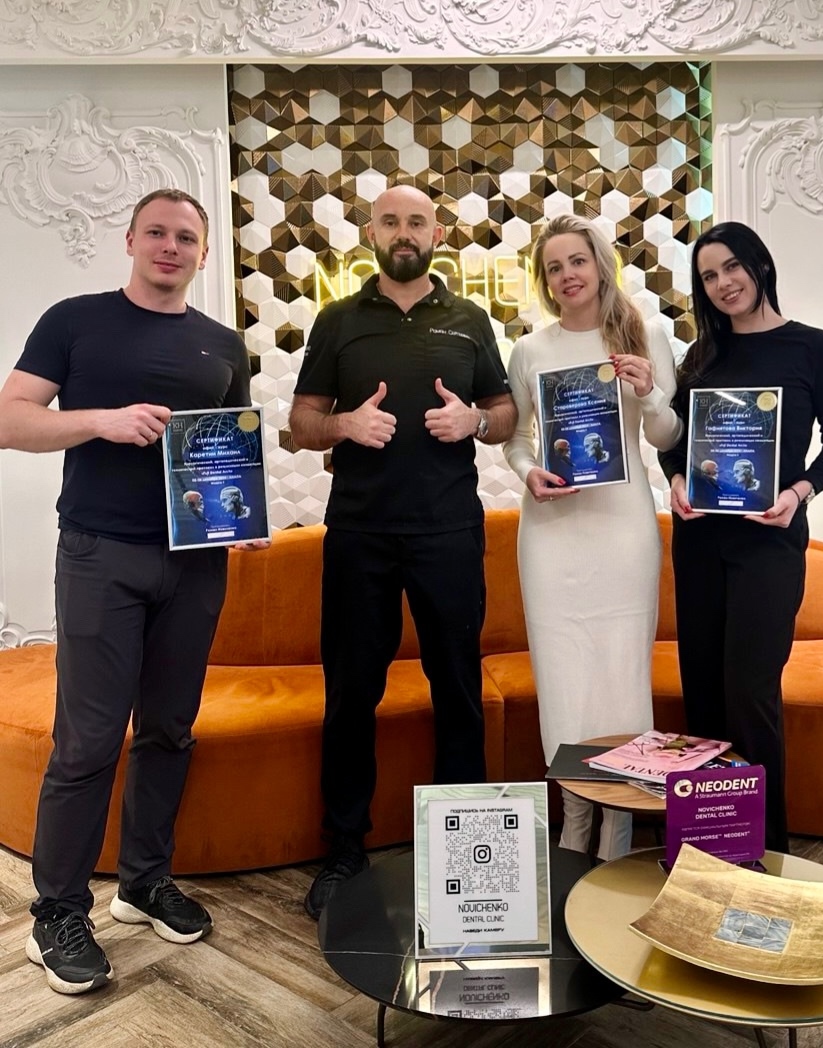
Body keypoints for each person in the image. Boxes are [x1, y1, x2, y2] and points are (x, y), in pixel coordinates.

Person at [0, 188, 267, 995]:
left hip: (195, 565)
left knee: (169, 730)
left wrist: (239, 517)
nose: (170, 246)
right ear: (130, 240)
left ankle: (144, 883)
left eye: (186, 236)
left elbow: (228, 449)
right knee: (86, 741)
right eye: (157, 232)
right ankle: (57, 915)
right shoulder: (74, 321)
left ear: (203, 253)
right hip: (100, 555)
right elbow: (11, 419)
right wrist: (99, 420)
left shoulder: (222, 344)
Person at [290, 183, 517, 919]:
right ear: (371, 232)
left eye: (416, 220)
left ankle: (464, 849)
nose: (404, 232)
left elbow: (506, 413)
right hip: (359, 533)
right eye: (390, 221)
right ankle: (343, 849)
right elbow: (301, 423)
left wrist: (475, 421)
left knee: (458, 689)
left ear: (438, 232)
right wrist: (344, 427)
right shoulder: (337, 320)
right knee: (351, 693)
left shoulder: (469, 320)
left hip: (449, 532)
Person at [658, 221, 823, 853]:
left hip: (769, 545)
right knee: (704, 692)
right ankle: (707, 848)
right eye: (708, 276)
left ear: (760, 265)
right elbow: (675, 442)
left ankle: (765, 850)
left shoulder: (814, 348)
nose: (723, 284)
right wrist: (676, 480)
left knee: (750, 692)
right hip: (699, 542)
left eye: (732, 267)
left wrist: (797, 493)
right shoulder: (701, 356)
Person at [503, 213, 682, 862]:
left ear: (599, 265)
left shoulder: (645, 333)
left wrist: (650, 393)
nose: (566, 276)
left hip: (622, 532)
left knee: (621, 679)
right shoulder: (530, 350)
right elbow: (514, 441)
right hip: (551, 536)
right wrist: (529, 473)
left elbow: (665, 434)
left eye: (576, 261)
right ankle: (575, 821)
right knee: (563, 684)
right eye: (553, 268)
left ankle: (619, 827)